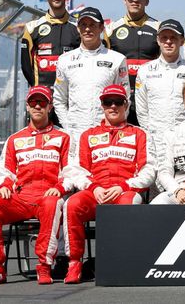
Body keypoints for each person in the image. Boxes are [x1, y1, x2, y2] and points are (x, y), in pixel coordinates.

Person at [0, 86, 73, 285]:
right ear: (27, 107)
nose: (37, 106)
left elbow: (71, 171)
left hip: (48, 195)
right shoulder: (15, 139)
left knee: (52, 203)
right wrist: (4, 185)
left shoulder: (64, 137)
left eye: (42, 102)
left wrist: (60, 187)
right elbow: (5, 171)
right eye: (33, 102)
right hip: (21, 198)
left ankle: (44, 266)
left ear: (50, 107)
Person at [62, 84, 156, 284]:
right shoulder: (87, 135)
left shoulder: (140, 134)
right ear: (102, 106)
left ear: (126, 105)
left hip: (125, 190)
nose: (113, 106)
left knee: (128, 205)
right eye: (107, 102)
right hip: (96, 191)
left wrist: (123, 186)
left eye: (118, 102)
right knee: (71, 205)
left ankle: (124, 262)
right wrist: (93, 188)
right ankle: (74, 264)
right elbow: (76, 169)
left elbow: (149, 170)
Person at [53, 7, 129, 140]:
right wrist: (67, 126)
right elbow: (59, 99)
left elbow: (125, 99)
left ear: (101, 28)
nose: (87, 29)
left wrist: (115, 127)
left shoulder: (117, 59)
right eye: (83, 25)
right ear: (78, 28)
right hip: (76, 132)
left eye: (92, 25)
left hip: (107, 132)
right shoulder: (64, 60)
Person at [20, 0, 80, 125]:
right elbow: (26, 66)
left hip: (70, 99)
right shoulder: (32, 28)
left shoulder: (78, 27)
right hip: (41, 100)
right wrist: (38, 88)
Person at [104, 0, 160, 125]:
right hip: (120, 100)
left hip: (150, 98)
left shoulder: (159, 28)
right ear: (124, 1)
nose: (135, 0)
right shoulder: (111, 30)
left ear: (147, 1)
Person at [135, 19, 185, 136]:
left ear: (182, 41)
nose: (168, 42)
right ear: (157, 40)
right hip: (155, 138)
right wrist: (150, 132)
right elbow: (142, 109)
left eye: (173, 38)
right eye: (164, 37)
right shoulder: (144, 70)